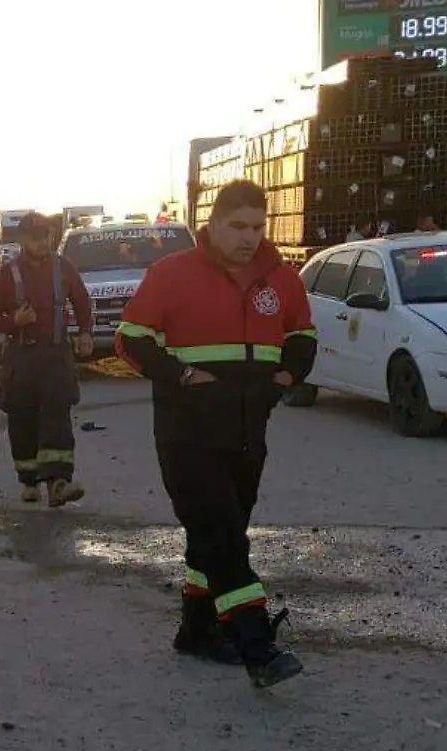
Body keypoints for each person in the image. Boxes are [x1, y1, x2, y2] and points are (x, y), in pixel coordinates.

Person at [112, 180, 312, 689]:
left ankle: (196, 630)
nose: (248, 237)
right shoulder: (171, 274)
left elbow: (302, 334)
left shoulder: (281, 279)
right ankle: (257, 646)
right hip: (187, 432)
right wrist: (181, 374)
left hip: (249, 430)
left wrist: (287, 376)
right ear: (214, 223)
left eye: (257, 227)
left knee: (220, 535)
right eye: (238, 226)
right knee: (222, 535)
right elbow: (130, 338)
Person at [0, 212, 94, 506]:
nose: (43, 242)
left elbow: (82, 301)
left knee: (57, 414)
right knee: (22, 416)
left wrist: (85, 333)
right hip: (21, 357)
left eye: (46, 236)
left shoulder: (64, 268)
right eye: (36, 237)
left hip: (56, 354)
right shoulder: (8, 274)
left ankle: (58, 482)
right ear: (22, 240)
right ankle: (29, 480)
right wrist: (14, 321)